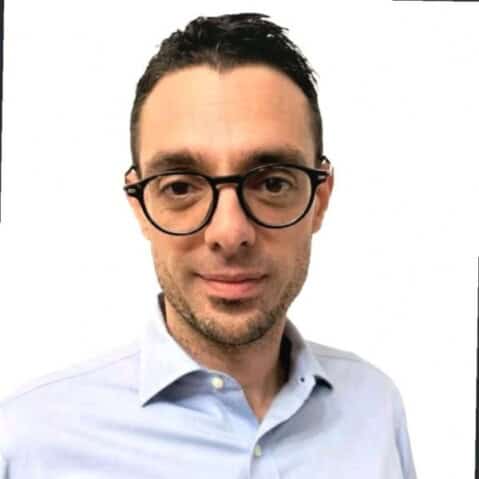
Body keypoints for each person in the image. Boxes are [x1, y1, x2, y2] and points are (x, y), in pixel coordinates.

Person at [0, 13, 417, 478]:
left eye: (272, 183)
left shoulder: (375, 409)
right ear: (140, 206)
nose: (229, 233)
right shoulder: (28, 444)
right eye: (181, 187)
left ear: (318, 201)